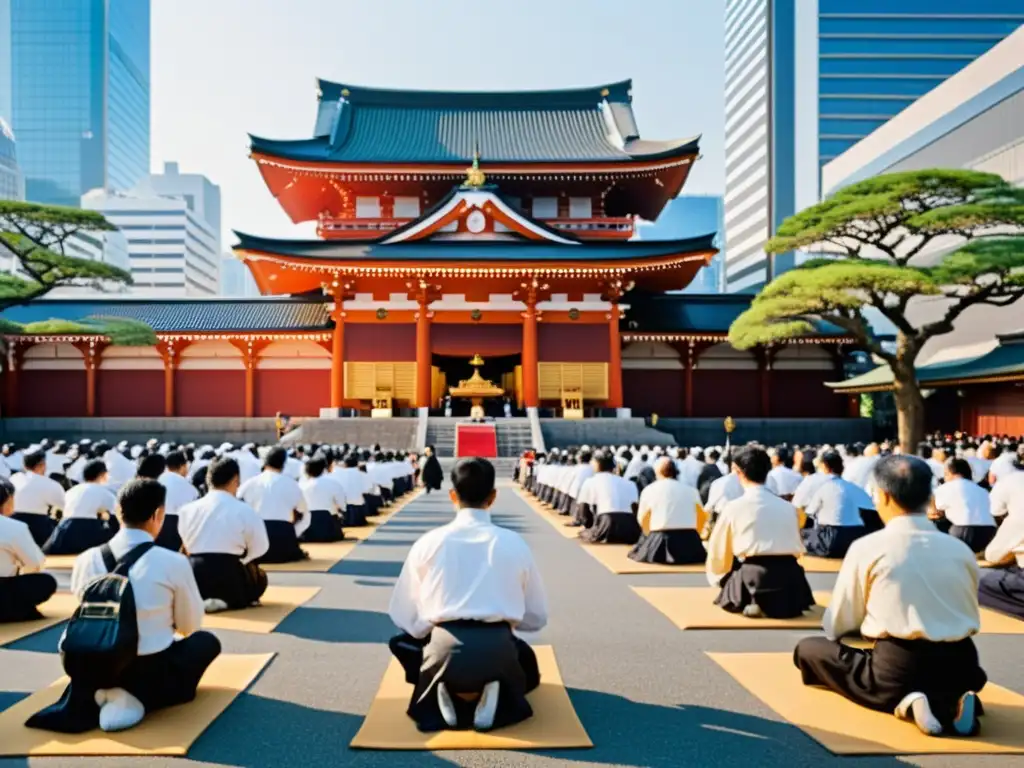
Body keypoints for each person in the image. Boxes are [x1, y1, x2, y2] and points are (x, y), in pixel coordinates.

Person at [793, 456, 986, 738]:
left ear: (883, 495)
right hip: (963, 661)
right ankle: (952, 701)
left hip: (899, 663)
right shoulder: (960, 549)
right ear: (929, 496)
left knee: (809, 650)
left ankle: (907, 700)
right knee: (947, 678)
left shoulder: (869, 547)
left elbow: (839, 622)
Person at [26, 479, 221, 734]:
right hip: (148, 667)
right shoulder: (172, 561)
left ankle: (101, 692)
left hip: (94, 664)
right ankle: (139, 697)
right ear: (158, 514)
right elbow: (190, 625)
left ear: (118, 512)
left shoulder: (86, 559)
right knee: (206, 641)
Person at [388, 457, 547, 733]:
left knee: (404, 643)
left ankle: (441, 689)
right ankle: (495, 691)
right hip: (499, 650)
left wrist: (429, 627)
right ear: (493, 496)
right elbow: (535, 618)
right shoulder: (514, 543)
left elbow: (403, 614)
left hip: (442, 651)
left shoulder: (428, 543)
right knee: (528, 668)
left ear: (453, 495)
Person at [705, 446, 813, 618]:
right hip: (791, 578)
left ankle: (754, 601)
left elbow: (718, 551)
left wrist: (718, 577)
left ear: (738, 472)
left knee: (733, 582)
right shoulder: (790, 508)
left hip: (753, 575)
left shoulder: (733, 508)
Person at [178, 458, 270, 613]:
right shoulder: (244, 510)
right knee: (260, 577)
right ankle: (226, 599)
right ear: (235, 480)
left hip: (195, 577)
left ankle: (203, 599)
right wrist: (243, 561)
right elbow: (261, 547)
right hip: (231, 578)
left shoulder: (187, 510)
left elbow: (185, 543)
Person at [237, 447, 309, 564]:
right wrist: (294, 533)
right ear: (283, 465)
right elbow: (305, 514)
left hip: (256, 543)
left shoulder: (249, 483)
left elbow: (237, 510)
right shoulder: (292, 484)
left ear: (265, 462)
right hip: (284, 542)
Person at [0, 478, 58, 622]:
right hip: (3, 592)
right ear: (8, 500)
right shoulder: (14, 527)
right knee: (46, 581)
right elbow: (35, 563)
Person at [629, 457, 706, 564]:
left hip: (660, 540)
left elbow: (642, 518)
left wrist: (647, 536)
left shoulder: (649, 490)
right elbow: (702, 516)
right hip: (690, 542)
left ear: (657, 472)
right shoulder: (692, 490)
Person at [801, 451, 875, 559]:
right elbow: (872, 509)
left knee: (803, 534)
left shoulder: (824, 486)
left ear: (825, 467)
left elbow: (809, 514)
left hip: (830, 541)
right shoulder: (854, 488)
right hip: (853, 539)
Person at [42, 460, 119, 555]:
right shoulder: (105, 493)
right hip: (89, 531)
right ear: (102, 474)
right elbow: (117, 515)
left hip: (64, 531)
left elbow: (59, 511)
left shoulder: (72, 491)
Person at [930, 458, 997, 553]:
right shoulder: (982, 490)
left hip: (963, 532)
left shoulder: (945, 488)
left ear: (948, 473)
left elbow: (933, 512)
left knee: (935, 522)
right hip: (988, 533)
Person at [574, 453, 641, 544]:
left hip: (607, 524)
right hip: (630, 528)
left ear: (597, 465)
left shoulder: (590, 481)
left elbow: (583, 510)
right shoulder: (630, 483)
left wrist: (589, 525)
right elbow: (636, 509)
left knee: (583, 533)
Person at [11, 451, 65, 547]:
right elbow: (66, 506)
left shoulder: (13, 479)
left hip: (12, 524)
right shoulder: (50, 484)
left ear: (24, 465)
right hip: (37, 527)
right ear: (42, 464)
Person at [156, 451, 200, 551]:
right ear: (183, 466)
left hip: (156, 522)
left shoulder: (158, 480)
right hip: (178, 526)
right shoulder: (189, 487)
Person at [299, 454, 348, 542]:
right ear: (323, 469)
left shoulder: (301, 485)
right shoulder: (333, 482)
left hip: (306, 526)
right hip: (328, 524)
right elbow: (342, 505)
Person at [331, 454, 372, 527]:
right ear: (357, 464)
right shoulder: (363, 474)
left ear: (345, 464)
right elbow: (367, 490)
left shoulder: (337, 473)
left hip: (343, 508)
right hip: (358, 508)